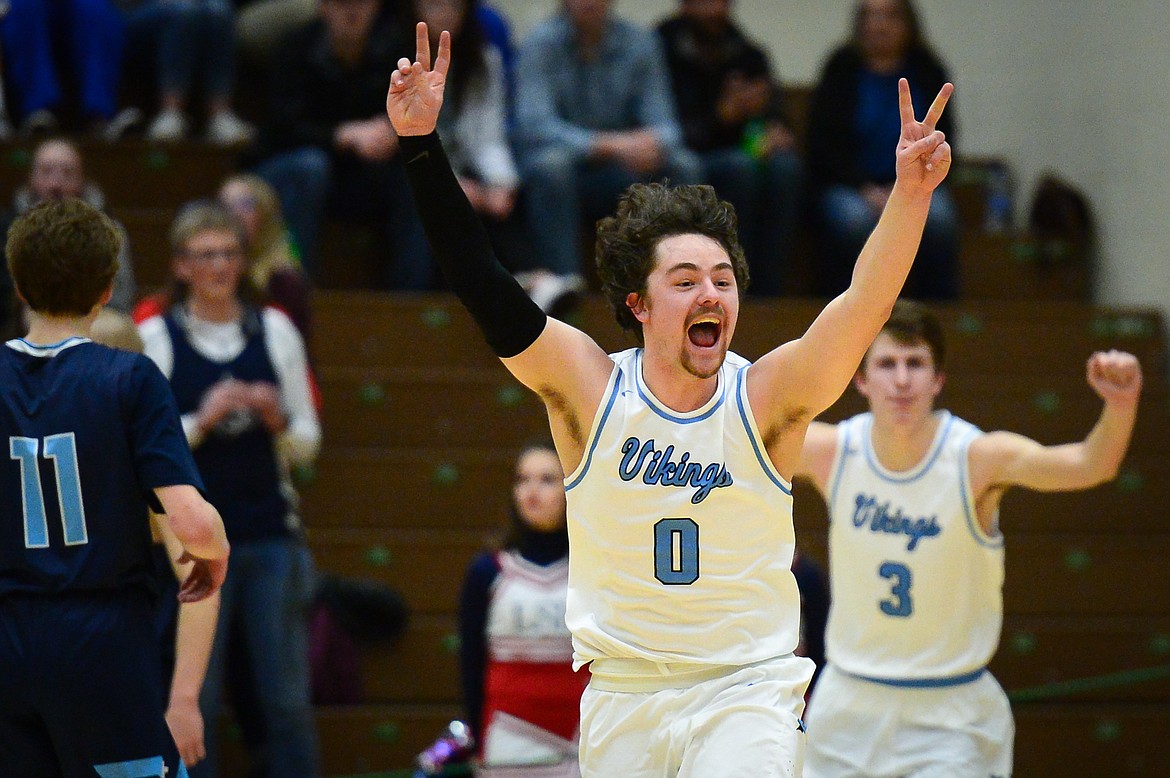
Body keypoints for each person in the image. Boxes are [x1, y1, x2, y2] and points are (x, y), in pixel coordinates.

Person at [388, 23, 953, 776]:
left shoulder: (764, 396)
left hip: (745, 693)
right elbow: (483, 283)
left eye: (722, 278)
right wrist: (423, 147)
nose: (710, 292)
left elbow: (864, 302)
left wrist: (911, 197)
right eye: (684, 280)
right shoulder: (590, 387)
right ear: (640, 304)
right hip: (622, 697)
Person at [792, 300, 1142, 777]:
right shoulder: (834, 451)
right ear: (861, 379)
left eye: (915, 364)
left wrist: (1120, 406)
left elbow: (1089, 464)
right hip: (848, 704)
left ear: (938, 379)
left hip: (949, 715)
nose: (901, 379)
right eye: (887, 363)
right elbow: (739, 445)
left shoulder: (975, 459)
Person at [0, 197, 230, 776]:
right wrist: (216, 554)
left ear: (18, 286)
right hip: (100, 642)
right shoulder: (128, 378)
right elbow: (195, 524)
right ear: (107, 288)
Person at [138, 201, 322, 778]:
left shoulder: (276, 329)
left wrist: (279, 423)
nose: (218, 265)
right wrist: (203, 419)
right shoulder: (154, 336)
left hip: (270, 536)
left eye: (227, 253)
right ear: (181, 266)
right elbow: (141, 448)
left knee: (286, 700)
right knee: (199, 699)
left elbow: (310, 443)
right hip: (189, 548)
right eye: (204, 255)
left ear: (243, 262)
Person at [512, 0, 702, 312]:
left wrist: (645, 143)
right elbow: (534, 126)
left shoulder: (640, 43)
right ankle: (565, 288)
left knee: (684, 165)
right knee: (550, 167)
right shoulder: (540, 43)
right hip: (569, 165)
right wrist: (608, 144)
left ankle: (680, 280)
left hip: (623, 167)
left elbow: (667, 127)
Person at [251, 0, 430, 287]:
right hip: (289, 170)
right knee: (311, 167)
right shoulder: (294, 48)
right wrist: (340, 135)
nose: (352, 10)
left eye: (361, 3)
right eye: (341, 2)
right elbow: (279, 130)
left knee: (417, 174)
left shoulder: (397, 51)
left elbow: (416, 112)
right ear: (323, 7)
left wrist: (394, 129)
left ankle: (407, 302)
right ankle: (298, 290)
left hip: (360, 174)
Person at [807, 0, 959, 300]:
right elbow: (822, 146)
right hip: (851, 185)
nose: (881, 25)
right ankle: (844, 312)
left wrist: (909, 184)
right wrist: (864, 187)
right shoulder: (840, 67)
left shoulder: (927, 67)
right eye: (872, 16)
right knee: (851, 221)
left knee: (941, 220)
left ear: (908, 25)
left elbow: (946, 135)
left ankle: (933, 315)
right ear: (860, 24)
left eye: (890, 16)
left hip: (916, 180)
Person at [656, 0, 802, 297]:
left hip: (744, 154)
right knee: (737, 169)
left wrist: (777, 131)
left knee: (786, 168)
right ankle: (731, 280)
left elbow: (776, 112)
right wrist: (722, 116)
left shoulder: (746, 51)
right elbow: (668, 132)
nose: (713, 9)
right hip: (687, 156)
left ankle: (769, 294)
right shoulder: (662, 48)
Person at [459, 440, 588, 775]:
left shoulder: (593, 568)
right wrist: (476, 736)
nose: (532, 491)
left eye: (546, 480)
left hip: (585, 734)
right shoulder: (488, 572)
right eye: (522, 480)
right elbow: (471, 662)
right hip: (509, 736)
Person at [0, 138, 137, 319]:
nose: (55, 185)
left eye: (67, 173)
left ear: (83, 180)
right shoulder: (6, 228)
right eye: (46, 171)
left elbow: (120, 301)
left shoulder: (109, 231)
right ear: (31, 178)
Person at [122, 0, 256, 144]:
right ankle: (170, 112)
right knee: (184, 11)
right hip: (134, 10)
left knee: (219, 10)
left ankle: (219, 114)